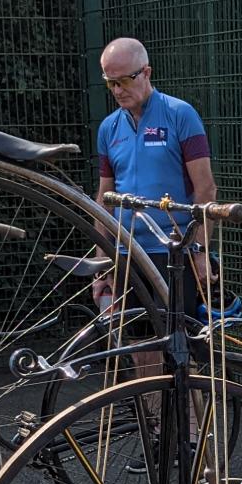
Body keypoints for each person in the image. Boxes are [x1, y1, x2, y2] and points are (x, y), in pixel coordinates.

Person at [93, 36, 217, 312]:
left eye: (123, 81)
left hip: (173, 253)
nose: (116, 90)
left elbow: (206, 189)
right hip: (126, 254)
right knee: (137, 345)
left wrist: (199, 251)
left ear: (146, 72)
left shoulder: (180, 114)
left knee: (178, 343)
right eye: (110, 83)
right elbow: (104, 197)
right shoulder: (108, 128)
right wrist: (101, 262)